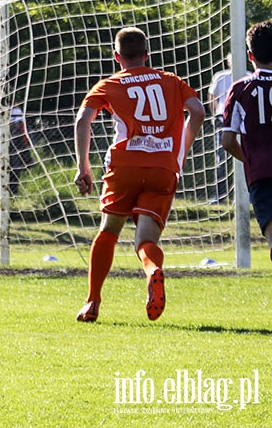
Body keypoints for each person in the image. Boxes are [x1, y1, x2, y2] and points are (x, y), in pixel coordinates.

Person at [73, 27, 204, 323]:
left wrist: (84, 166)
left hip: (125, 166)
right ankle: (152, 270)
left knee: (109, 230)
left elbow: (83, 120)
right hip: (163, 167)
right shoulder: (171, 80)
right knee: (145, 239)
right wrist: (180, 151)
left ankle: (92, 301)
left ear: (117, 56)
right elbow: (197, 111)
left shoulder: (109, 84)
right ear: (147, 54)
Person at [221, 21, 272, 262]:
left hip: (261, 174)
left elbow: (228, 140)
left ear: (250, 55)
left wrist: (248, 159)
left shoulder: (240, 88)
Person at [0, 89, 30, 196]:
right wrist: (1, 128)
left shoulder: (17, 111)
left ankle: (13, 204)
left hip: (14, 150)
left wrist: (14, 127)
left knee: (13, 180)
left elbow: (23, 130)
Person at [207, 55, 233, 203]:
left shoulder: (247, 76)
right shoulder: (220, 76)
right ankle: (219, 196)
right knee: (221, 158)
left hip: (242, 120)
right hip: (222, 119)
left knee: (245, 158)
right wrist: (215, 113)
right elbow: (212, 96)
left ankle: (245, 195)